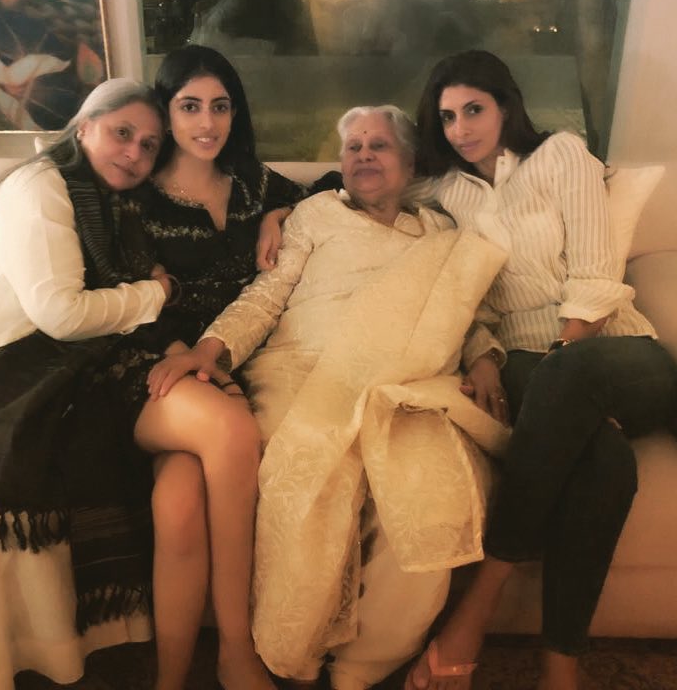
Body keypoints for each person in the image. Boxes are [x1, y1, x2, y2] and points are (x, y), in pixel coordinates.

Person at [146, 105, 511, 690]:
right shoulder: (316, 214)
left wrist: (486, 358)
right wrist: (210, 349)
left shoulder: (440, 233)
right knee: (315, 463)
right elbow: (267, 295)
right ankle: (297, 652)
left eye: (378, 146)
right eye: (353, 147)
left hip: (405, 382)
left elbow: (464, 315)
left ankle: (364, 667)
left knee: (431, 488)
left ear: (409, 163)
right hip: (302, 369)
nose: (363, 155)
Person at [403, 49, 677, 690]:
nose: (461, 129)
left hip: (617, 351)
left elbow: (596, 272)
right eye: (447, 117)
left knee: (565, 377)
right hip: (523, 363)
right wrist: (481, 354)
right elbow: (456, 289)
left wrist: (566, 359)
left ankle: (477, 605)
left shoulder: (560, 155)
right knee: (606, 464)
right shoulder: (445, 192)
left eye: (474, 109)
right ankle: (561, 668)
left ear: (506, 106)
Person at [62, 43, 311, 690]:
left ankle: (170, 681)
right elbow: (123, 296)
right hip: (151, 366)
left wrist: (282, 213)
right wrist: (186, 356)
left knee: (177, 505)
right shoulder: (137, 197)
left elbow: (333, 187)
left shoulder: (254, 183)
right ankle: (237, 650)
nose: (207, 122)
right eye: (190, 106)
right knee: (230, 432)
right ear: (165, 112)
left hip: (231, 363)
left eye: (220, 106)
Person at [0, 78, 171, 690]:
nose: (134, 152)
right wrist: (156, 293)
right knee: (1, 456)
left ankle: (48, 643)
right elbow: (61, 314)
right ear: (84, 127)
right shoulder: (42, 187)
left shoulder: (115, 205)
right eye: (122, 132)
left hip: (49, 354)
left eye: (149, 145)